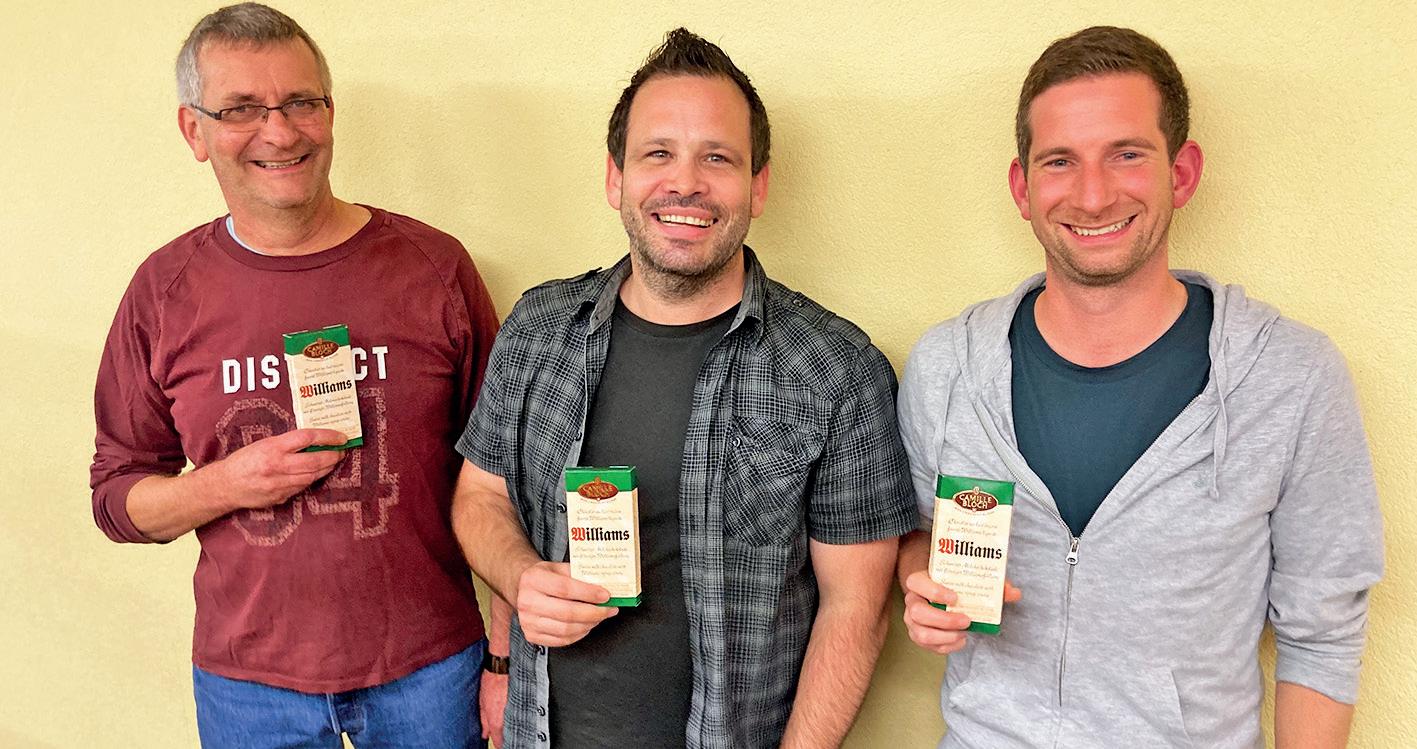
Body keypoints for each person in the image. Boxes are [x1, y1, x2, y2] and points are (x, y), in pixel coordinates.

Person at [896, 25, 1383, 748]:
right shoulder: (947, 367)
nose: (1093, 195)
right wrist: (923, 583)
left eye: (1126, 154)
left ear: (1180, 173)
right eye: (1060, 161)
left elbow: (1323, 633)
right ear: (1022, 187)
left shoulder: (1292, 377)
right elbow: (917, 533)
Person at [451, 28, 916, 749]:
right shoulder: (537, 329)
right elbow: (480, 497)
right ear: (616, 178)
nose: (686, 183)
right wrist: (518, 576)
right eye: (658, 153)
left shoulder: (836, 369)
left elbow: (855, 610)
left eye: (717, 158)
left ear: (759, 185)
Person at [89, 4, 499, 746]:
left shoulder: (434, 268)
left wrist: (505, 658)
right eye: (242, 108)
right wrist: (224, 485)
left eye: (301, 102)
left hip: (431, 669)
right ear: (194, 131)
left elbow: (506, 479)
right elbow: (116, 499)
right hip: (248, 685)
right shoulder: (163, 291)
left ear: (329, 114)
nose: (280, 133)